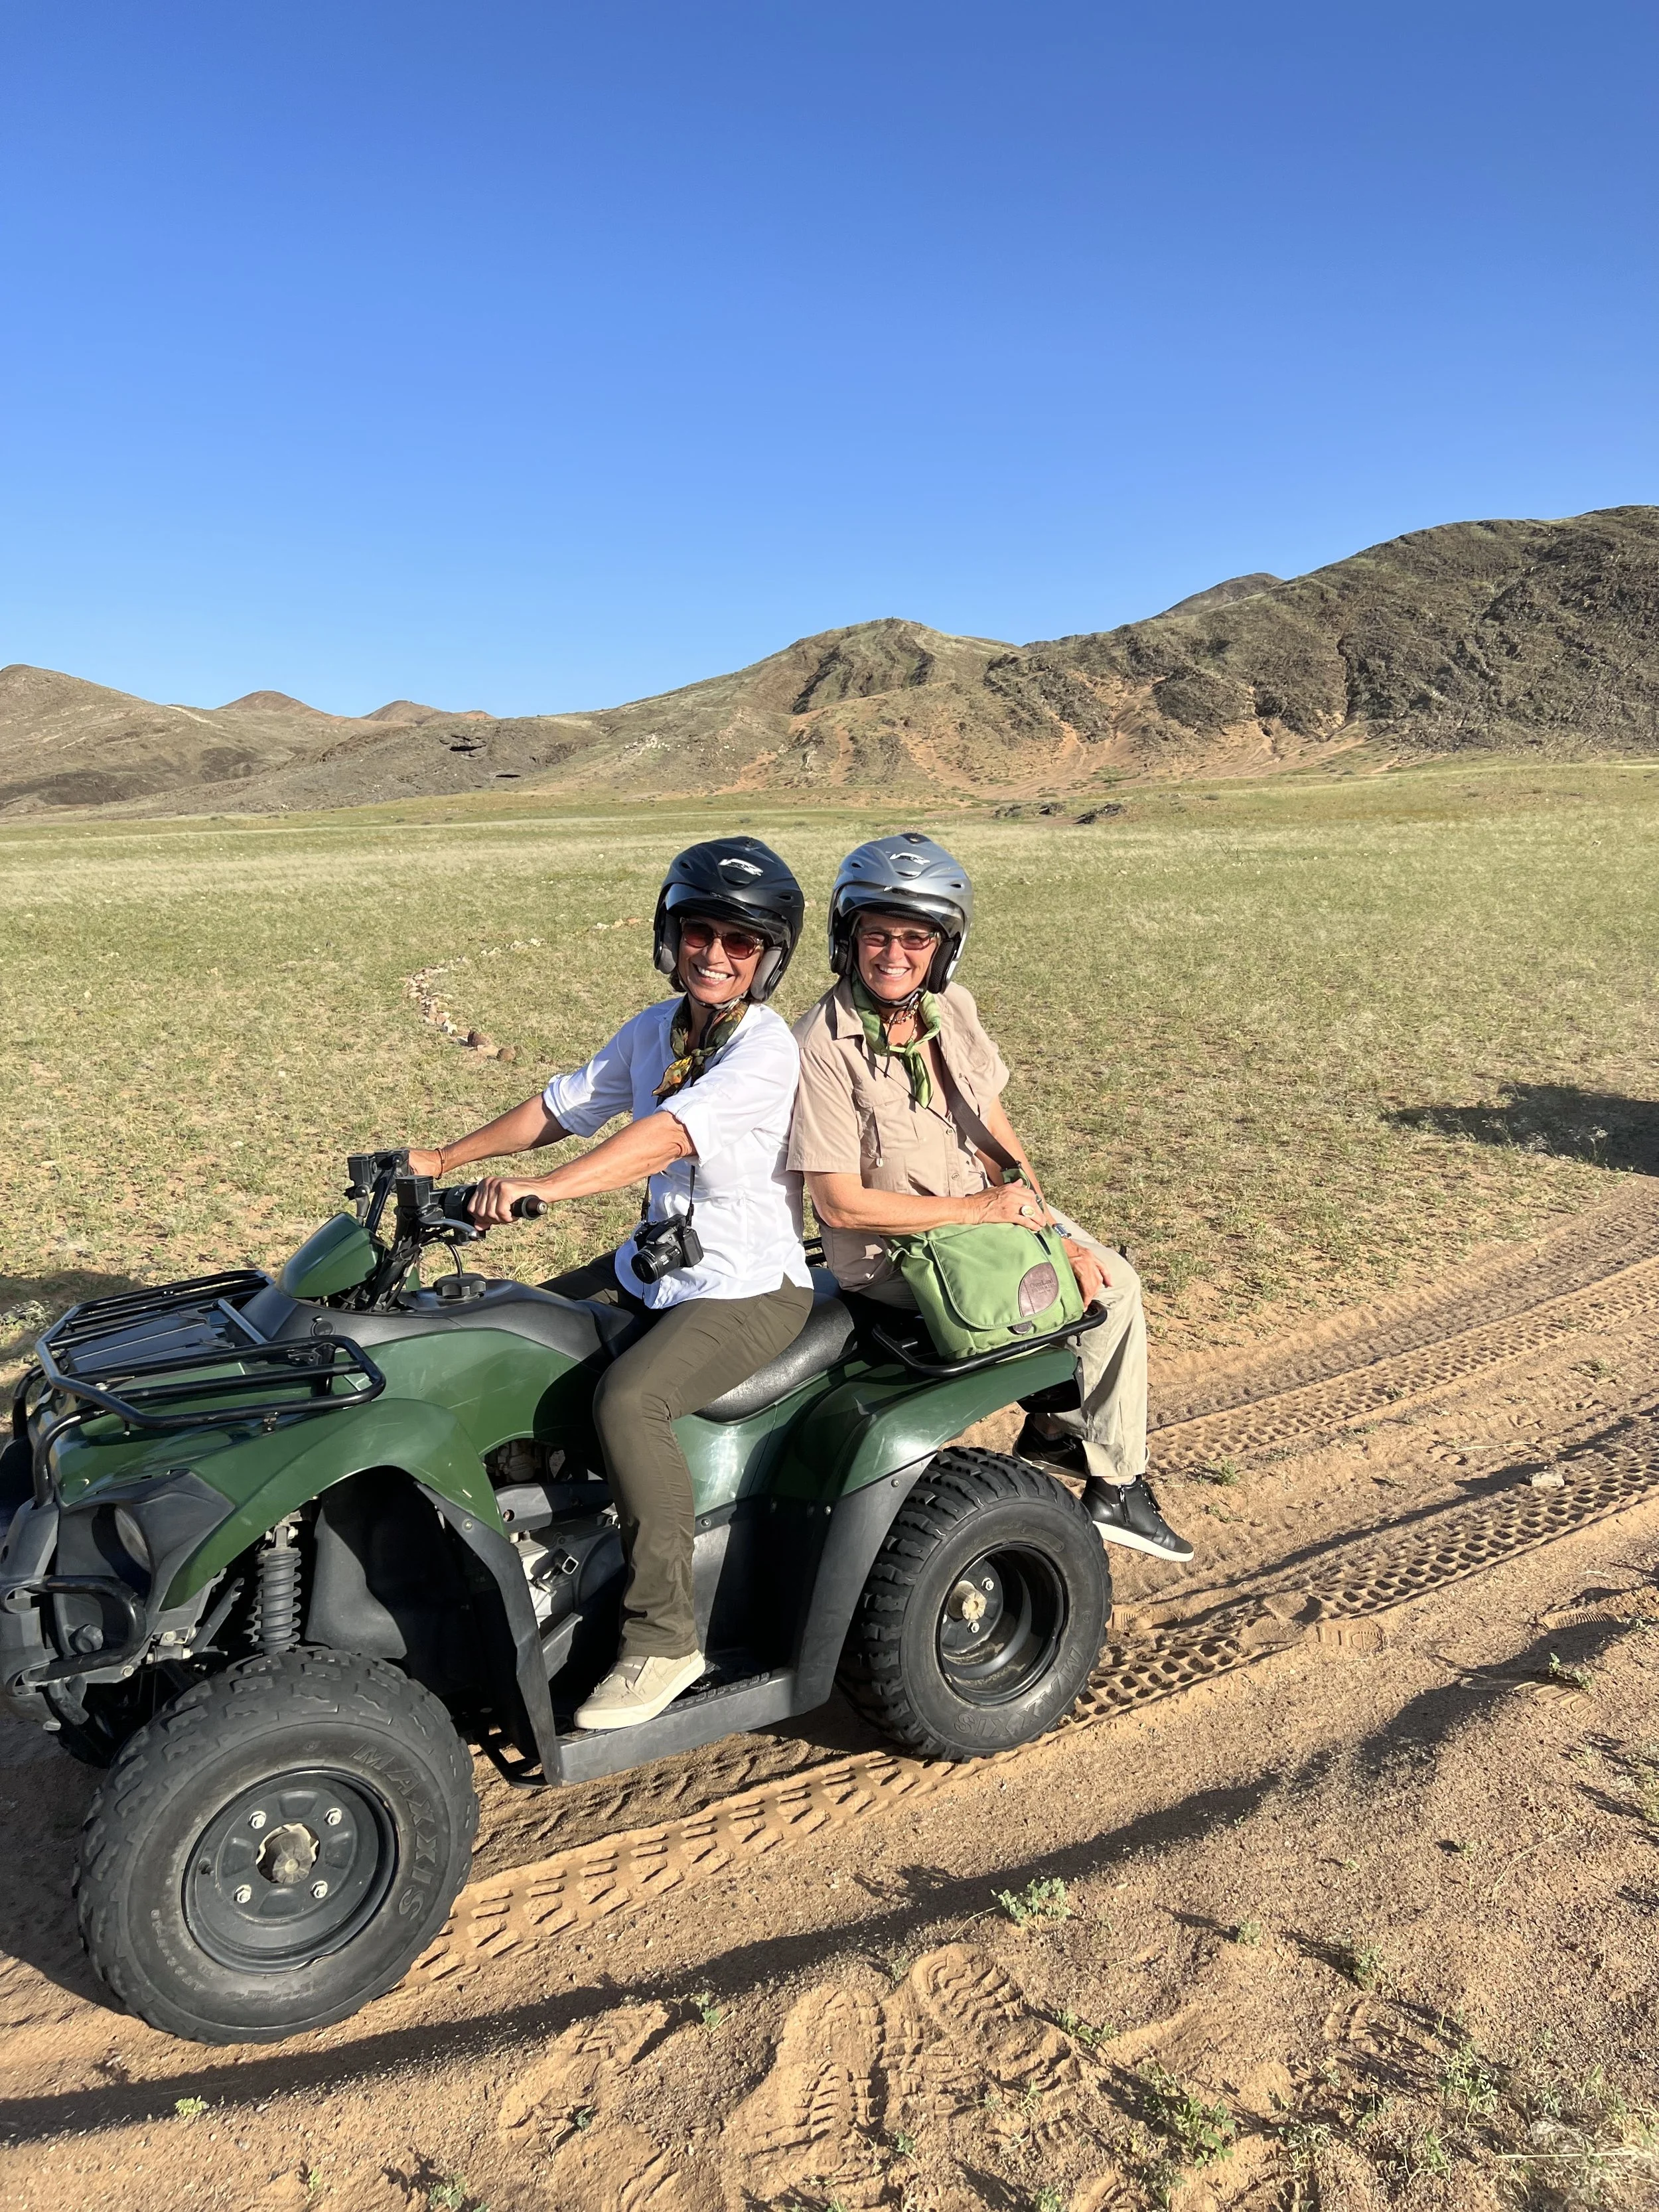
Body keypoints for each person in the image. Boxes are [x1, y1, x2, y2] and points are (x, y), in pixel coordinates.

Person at [408, 837, 815, 1729]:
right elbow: (559, 1107)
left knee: (631, 1402)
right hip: (655, 1268)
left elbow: (668, 1135)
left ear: (769, 958)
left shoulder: (766, 1049)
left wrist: (543, 1190)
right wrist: (444, 1156)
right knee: (506, 1330)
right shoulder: (654, 1030)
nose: (715, 953)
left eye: (739, 942)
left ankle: (664, 1638)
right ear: (671, 934)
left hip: (744, 1287)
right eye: (699, 931)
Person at [786, 831, 1191, 1564]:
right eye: (876, 934)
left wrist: (1048, 1228)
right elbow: (842, 1206)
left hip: (979, 1219)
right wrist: (992, 1217)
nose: (893, 954)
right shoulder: (820, 1043)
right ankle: (1111, 1480)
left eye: (915, 937)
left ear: (944, 948)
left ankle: (1065, 1439)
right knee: (1101, 1292)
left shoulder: (953, 1009)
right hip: (897, 1255)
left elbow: (993, 1133)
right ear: (846, 938)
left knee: (1104, 1273)